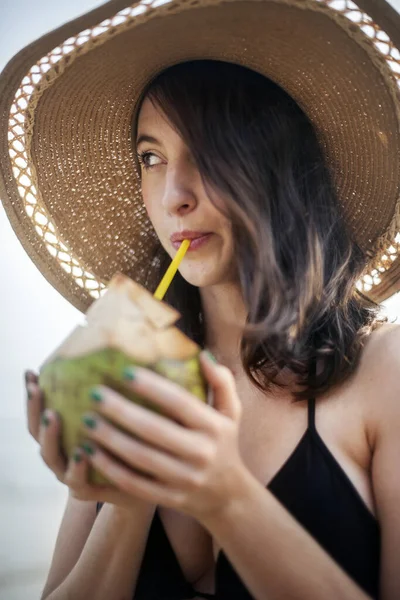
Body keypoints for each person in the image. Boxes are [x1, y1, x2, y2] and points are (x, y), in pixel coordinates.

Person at [2, 1, 400, 599]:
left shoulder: (384, 370)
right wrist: (128, 493)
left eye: (207, 153)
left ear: (277, 164)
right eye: (152, 158)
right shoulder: (131, 370)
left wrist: (223, 494)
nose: (174, 196)